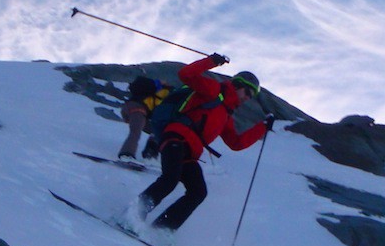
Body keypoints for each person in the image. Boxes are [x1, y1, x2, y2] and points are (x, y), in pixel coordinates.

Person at [136, 53, 275, 232]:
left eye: (251, 96)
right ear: (238, 84)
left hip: (190, 152)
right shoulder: (214, 90)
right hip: (176, 137)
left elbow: (236, 143)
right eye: (247, 92)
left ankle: (162, 229)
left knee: (198, 193)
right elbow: (186, 74)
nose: (247, 98)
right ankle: (135, 213)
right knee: (170, 180)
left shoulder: (226, 114)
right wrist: (211, 62)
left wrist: (263, 127)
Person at [117, 76, 164, 161]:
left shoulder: (148, 91)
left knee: (155, 131)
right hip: (138, 110)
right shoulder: (160, 94)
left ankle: (149, 154)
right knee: (135, 132)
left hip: (128, 108)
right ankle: (126, 154)